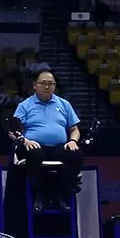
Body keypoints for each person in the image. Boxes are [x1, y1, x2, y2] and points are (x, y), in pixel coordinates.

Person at [10, 69, 82, 212]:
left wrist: (73, 141)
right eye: (43, 83)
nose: (47, 86)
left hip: (58, 147)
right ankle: (38, 196)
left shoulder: (64, 104)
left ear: (55, 86)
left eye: (51, 83)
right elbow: (13, 132)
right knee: (34, 153)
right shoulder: (25, 105)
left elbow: (74, 129)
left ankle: (62, 196)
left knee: (76, 155)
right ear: (34, 85)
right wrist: (24, 140)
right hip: (33, 146)